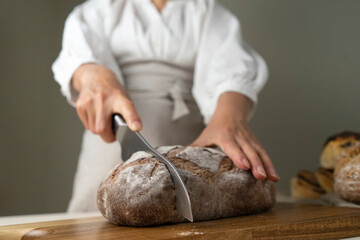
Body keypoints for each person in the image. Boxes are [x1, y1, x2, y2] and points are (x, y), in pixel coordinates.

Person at [52, 0, 280, 212]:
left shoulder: (208, 13)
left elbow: (231, 74)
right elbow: (79, 59)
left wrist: (230, 117)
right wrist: (92, 76)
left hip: (188, 149)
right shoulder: (94, 12)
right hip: (108, 150)